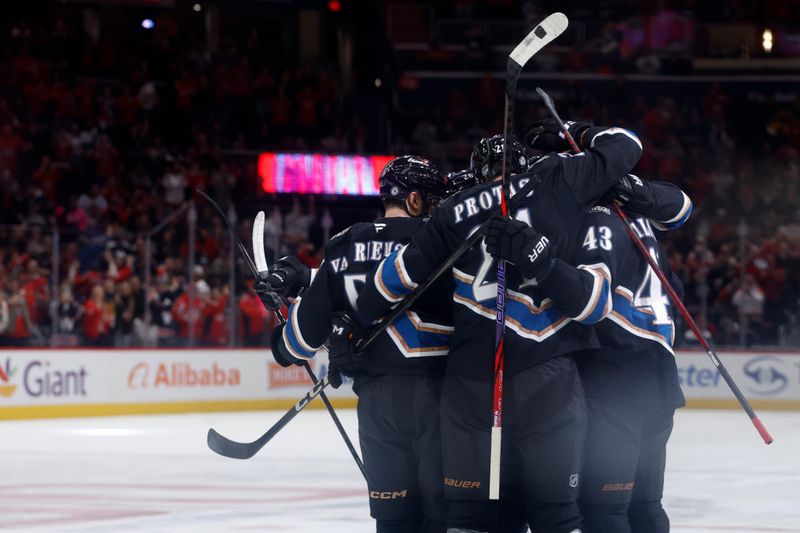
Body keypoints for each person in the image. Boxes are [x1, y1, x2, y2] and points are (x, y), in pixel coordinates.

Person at [352, 121, 644, 533]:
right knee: (557, 514)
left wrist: (352, 333)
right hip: (547, 371)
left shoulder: (452, 210)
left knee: (473, 517)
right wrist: (572, 130)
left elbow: (387, 284)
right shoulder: (555, 178)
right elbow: (627, 145)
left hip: (470, 385)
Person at [484, 174, 692, 533]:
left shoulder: (597, 220)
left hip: (614, 377)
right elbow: (677, 288)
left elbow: (591, 300)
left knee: (603, 511)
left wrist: (541, 262)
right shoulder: (639, 219)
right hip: (657, 377)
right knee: (645, 508)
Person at [263, 156, 452, 533]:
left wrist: (290, 318)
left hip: (379, 404)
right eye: (432, 200)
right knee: (443, 517)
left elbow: (296, 345)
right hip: (441, 398)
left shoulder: (345, 243)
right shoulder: (443, 240)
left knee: (394, 520)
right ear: (415, 200)